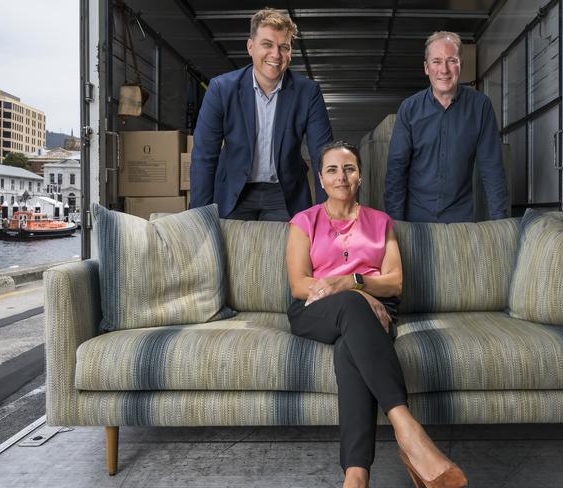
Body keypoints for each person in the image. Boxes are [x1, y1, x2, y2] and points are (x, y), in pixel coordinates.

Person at [286, 140, 468, 488]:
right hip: (314, 309)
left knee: (348, 349)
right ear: (321, 180)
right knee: (355, 308)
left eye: (349, 168)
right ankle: (408, 431)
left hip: (373, 309)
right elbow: (298, 285)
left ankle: (356, 475)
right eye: (332, 170)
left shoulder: (381, 222)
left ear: (360, 177)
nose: (342, 176)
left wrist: (355, 284)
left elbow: (395, 282)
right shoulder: (303, 221)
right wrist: (358, 293)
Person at [190, 8, 333, 221]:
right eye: (267, 44)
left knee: (285, 253)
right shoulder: (221, 89)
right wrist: (199, 217)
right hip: (235, 191)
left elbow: (324, 156)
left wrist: (328, 214)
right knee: (234, 252)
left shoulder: (308, 93)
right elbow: (204, 156)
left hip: (285, 193)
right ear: (251, 47)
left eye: (284, 47)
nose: (276, 54)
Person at [385, 31, 509, 223]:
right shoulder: (409, 109)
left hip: (460, 220)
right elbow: (396, 170)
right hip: (415, 219)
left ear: (460, 65)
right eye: (436, 61)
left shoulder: (480, 107)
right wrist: (394, 224)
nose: (444, 70)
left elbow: (492, 168)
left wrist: (502, 224)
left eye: (451, 60)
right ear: (426, 68)